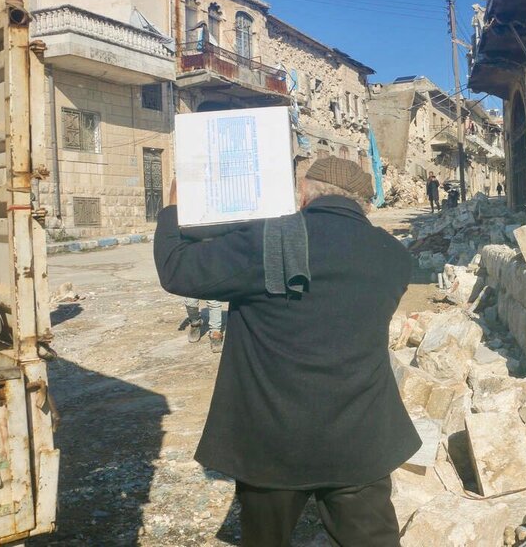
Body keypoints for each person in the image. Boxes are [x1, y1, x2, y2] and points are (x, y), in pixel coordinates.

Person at [154, 157, 419, 547]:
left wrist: (174, 211)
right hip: (360, 438)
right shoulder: (393, 255)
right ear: (364, 203)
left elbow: (178, 269)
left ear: (304, 192)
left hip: (273, 441)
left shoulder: (272, 240)